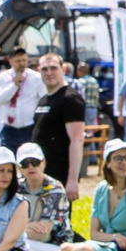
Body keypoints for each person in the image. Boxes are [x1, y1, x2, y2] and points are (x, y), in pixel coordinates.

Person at [30, 53, 90, 188]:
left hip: (59, 178)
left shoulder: (70, 99)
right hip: (40, 175)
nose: (49, 73)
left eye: (53, 68)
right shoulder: (43, 100)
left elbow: (77, 140)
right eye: (44, 69)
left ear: (63, 70)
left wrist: (73, 180)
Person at [0, 50, 42, 154]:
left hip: (28, 129)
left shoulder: (36, 78)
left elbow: (43, 99)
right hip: (9, 129)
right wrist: (14, 85)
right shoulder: (3, 77)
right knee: (9, 161)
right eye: (18, 61)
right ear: (11, 61)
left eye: (24, 60)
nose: (21, 64)